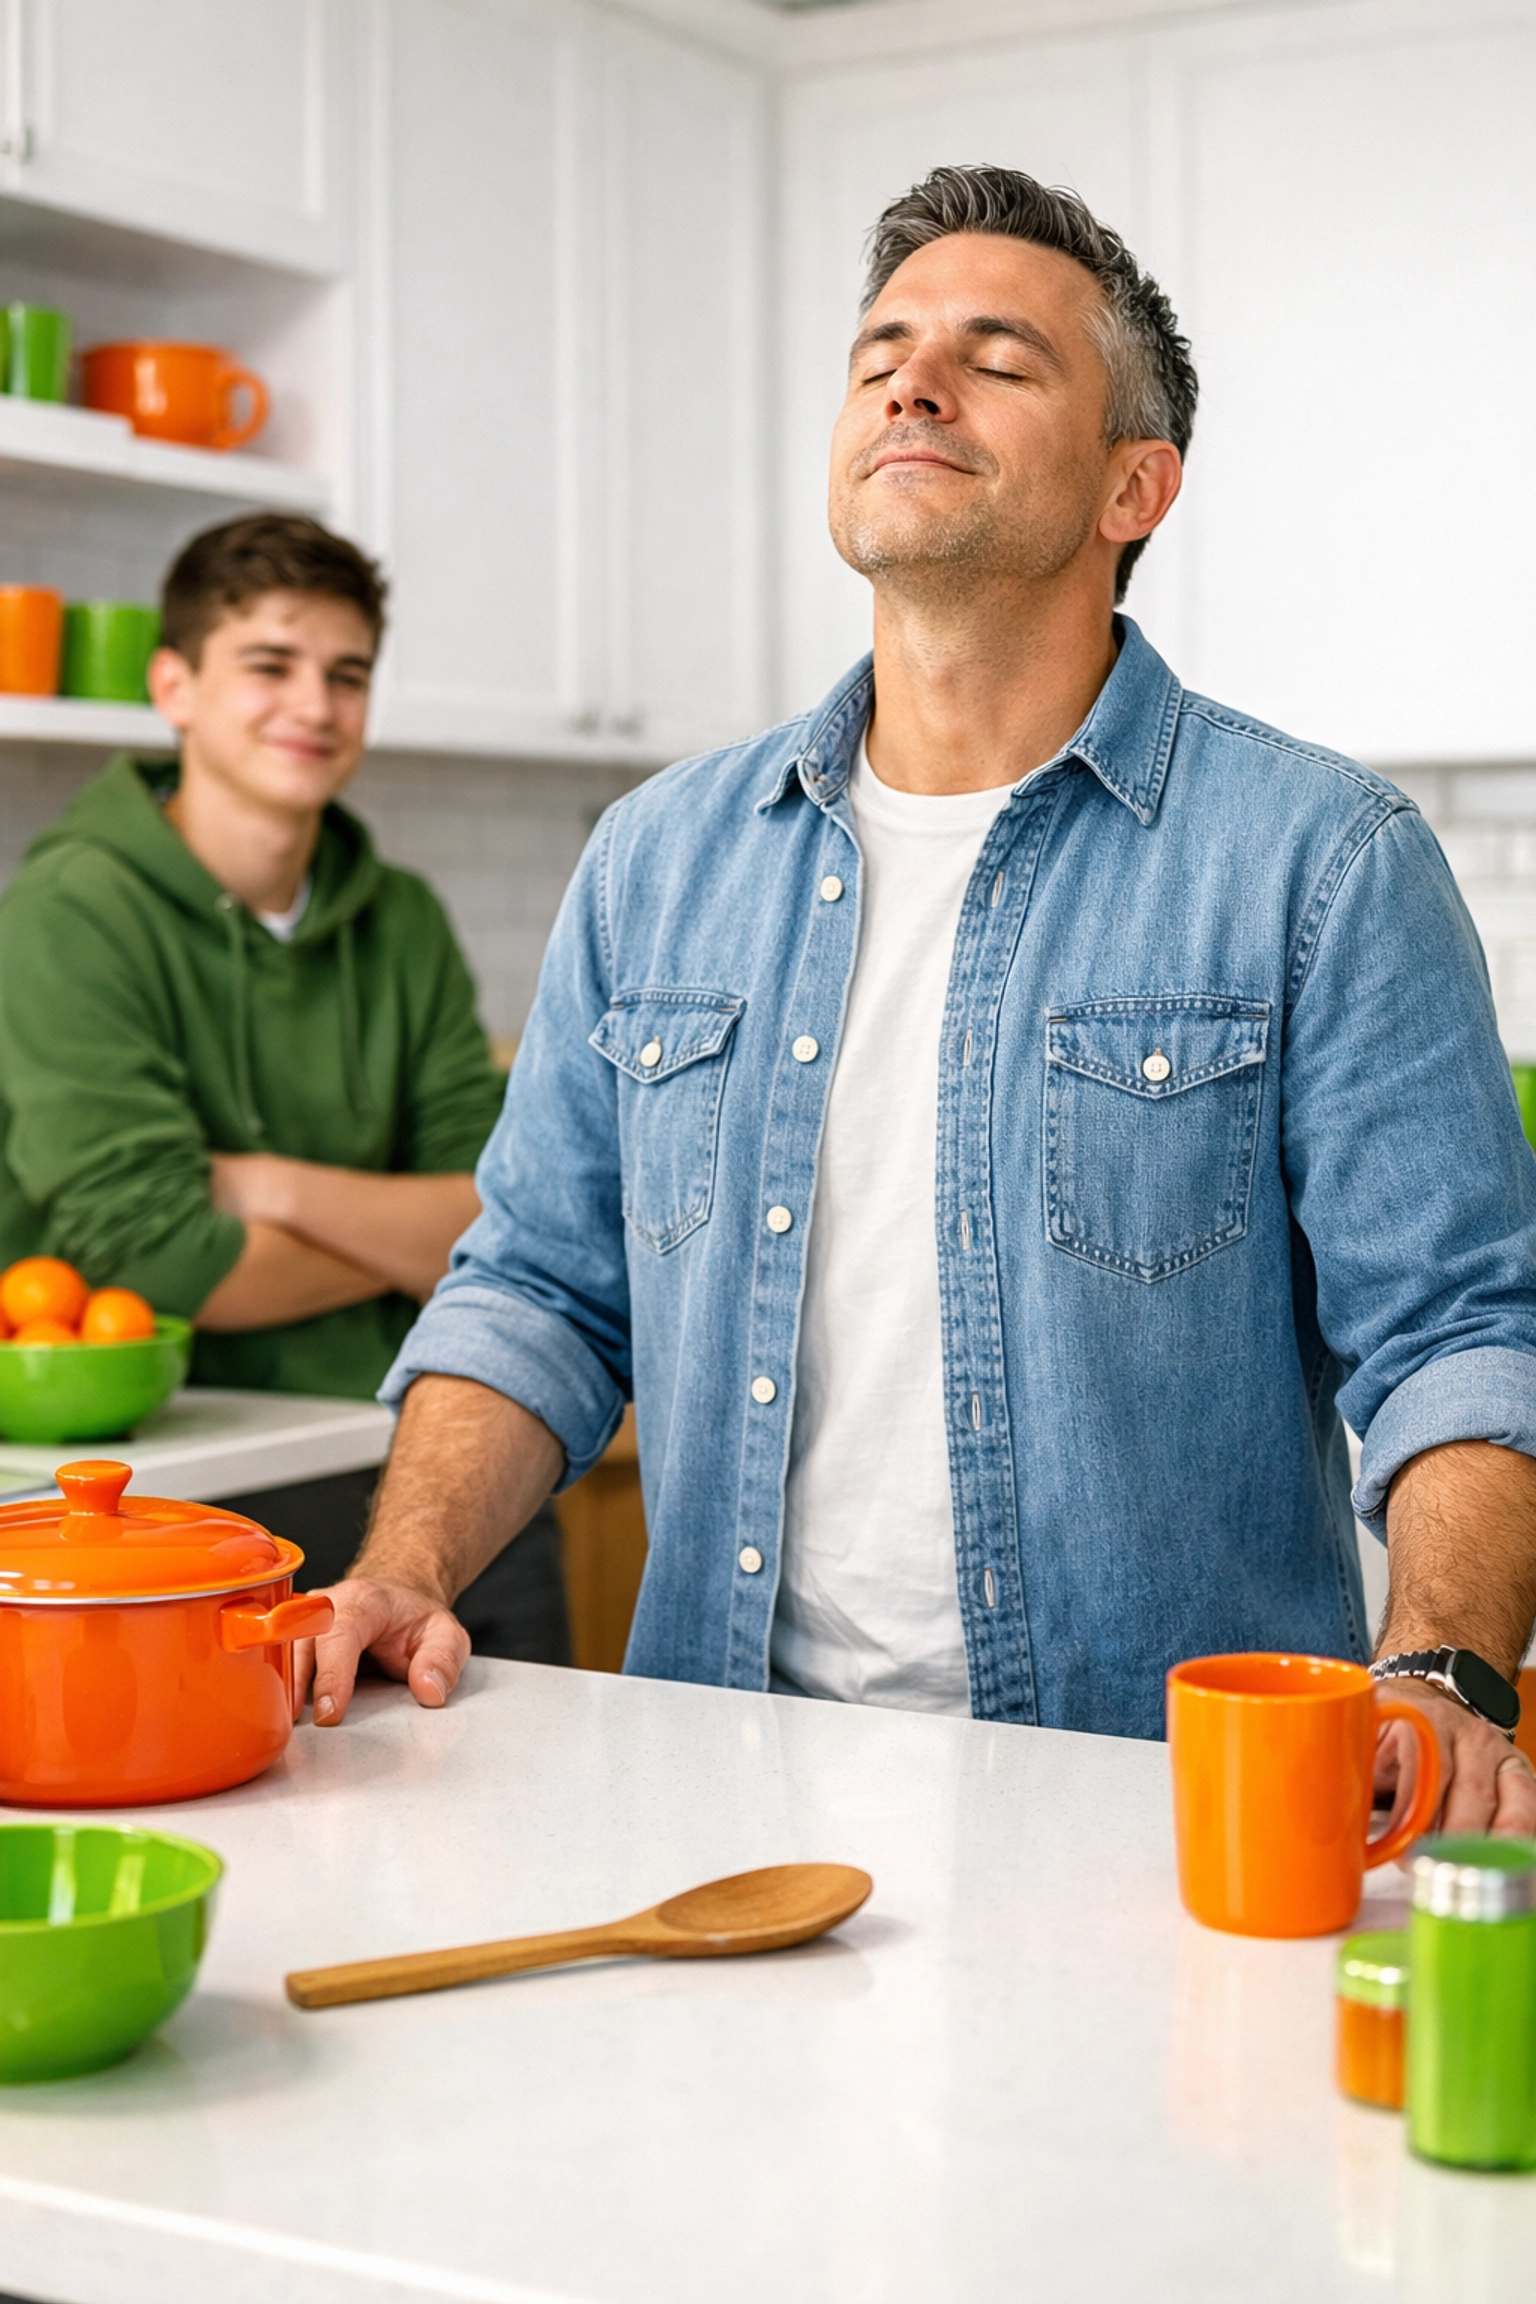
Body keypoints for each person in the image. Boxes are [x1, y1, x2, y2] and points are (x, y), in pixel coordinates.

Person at [305, 167, 1536, 1833]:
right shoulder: (656, 858)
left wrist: (1443, 1664)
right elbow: (537, 1287)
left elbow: (1461, 1334)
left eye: (998, 357)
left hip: (1160, 1817)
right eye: (880, 346)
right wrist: (403, 1565)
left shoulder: (1319, 860)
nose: (910, 378)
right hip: (722, 1806)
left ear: (1133, 486)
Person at [0, 512, 565, 1658]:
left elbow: (501, 1216)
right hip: (186, 1493)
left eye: (346, 674)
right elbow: (152, 1255)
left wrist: (271, 1189)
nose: (314, 705)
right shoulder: (68, 914)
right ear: (175, 685)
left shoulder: (399, 917)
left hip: (434, 1462)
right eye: (270, 664)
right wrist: (402, 1236)